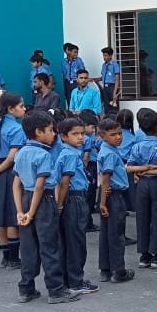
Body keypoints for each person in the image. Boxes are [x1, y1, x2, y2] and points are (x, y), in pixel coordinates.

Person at [14, 110, 82, 304]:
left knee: (28, 247)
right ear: (38, 132)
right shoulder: (43, 154)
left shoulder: (21, 153)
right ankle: (56, 289)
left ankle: (26, 288)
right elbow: (40, 186)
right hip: (43, 201)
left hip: (25, 199)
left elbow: (16, 184)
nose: (53, 134)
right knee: (49, 246)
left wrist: (21, 211)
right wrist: (32, 212)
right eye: (51, 130)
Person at [0, 93, 28, 267]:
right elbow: (11, 158)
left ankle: (5, 257)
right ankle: (14, 259)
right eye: (21, 106)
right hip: (9, 172)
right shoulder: (16, 129)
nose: (24, 109)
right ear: (11, 109)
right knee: (11, 217)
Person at [128, 108, 157, 269]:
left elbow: (129, 167)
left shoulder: (137, 146)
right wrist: (149, 169)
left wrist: (142, 170)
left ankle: (144, 255)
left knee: (142, 218)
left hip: (142, 184)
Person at [54, 117, 96, 294]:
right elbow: (64, 182)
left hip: (71, 199)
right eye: (75, 134)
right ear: (64, 136)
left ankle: (69, 279)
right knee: (76, 242)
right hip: (74, 199)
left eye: (82, 133)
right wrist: (60, 205)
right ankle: (76, 282)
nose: (80, 137)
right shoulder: (70, 155)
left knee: (68, 241)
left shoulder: (65, 152)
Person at [96, 118, 134, 283]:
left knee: (106, 233)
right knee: (117, 234)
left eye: (119, 133)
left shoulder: (106, 149)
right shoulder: (110, 154)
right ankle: (119, 271)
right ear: (102, 135)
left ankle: (105, 269)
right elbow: (106, 178)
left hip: (107, 194)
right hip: (113, 195)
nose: (118, 137)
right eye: (113, 134)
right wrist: (103, 203)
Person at [100, 47, 120, 112]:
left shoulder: (115, 65)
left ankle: (114, 118)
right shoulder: (104, 65)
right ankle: (107, 117)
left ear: (110, 55)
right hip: (105, 87)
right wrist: (92, 79)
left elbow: (117, 79)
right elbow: (102, 77)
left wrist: (114, 92)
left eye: (106, 55)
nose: (104, 57)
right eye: (103, 55)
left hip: (112, 87)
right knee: (106, 105)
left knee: (114, 105)